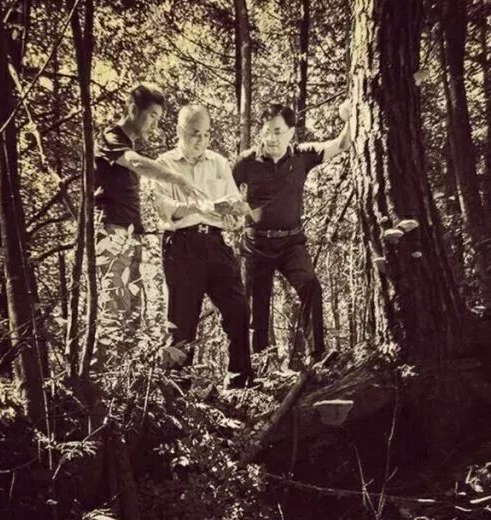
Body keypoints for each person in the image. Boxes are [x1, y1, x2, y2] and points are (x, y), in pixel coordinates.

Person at [232, 100, 351, 366]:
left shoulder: (302, 156)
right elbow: (224, 189)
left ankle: (316, 357)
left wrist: (350, 114)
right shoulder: (246, 162)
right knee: (257, 309)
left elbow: (342, 144)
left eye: (277, 131)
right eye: (266, 131)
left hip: (291, 243)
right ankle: (260, 365)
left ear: (291, 132)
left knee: (311, 286)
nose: (271, 138)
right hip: (255, 245)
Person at [94, 82, 203, 356]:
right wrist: (178, 178)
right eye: (152, 115)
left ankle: (124, 379)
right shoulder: (111, 138)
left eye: (158, 118)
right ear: (133, 108)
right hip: (112, 234)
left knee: (131, 313)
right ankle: (101, 377)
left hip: (130, 236)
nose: (155, 124)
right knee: (113, 312)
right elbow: (137, 162)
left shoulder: (125, 143)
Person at [153, 104, 253, 389]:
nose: (202, 140)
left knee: (238, 310)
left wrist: (234, 215)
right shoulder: (164, 163)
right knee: (182, 322)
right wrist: (199, 207)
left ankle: (239, 382)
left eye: (207, 134)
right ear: (179, 131)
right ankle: (177, 393)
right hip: (181, 246)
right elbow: (163, 208)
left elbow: (233, 203)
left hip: (215, 242)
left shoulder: (218, 162)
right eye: (195, 133)